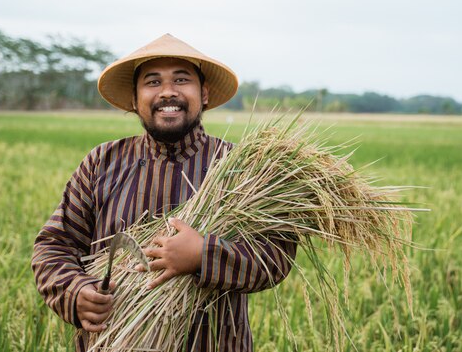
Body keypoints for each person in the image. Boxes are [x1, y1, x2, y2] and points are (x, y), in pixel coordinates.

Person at [31, 34, 297, 352]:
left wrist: (203, 255)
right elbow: (54, 246)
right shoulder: (102, 162)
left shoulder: (241, 169)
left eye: (181, 80)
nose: (168, 91)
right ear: (134, 99)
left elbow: (276, 256)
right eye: (153, 81)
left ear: (205, 94)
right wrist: (75, 294)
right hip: (112, 342)